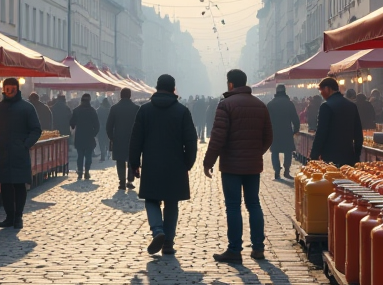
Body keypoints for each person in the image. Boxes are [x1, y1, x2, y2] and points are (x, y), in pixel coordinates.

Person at [203, 69, 273, 264]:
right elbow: (269, 136)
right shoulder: (260, 105)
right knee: (254, 204)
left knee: (233, 207)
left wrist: (208, 161)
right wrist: (256, 152)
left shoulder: (225, 105)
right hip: (252, 166)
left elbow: (218, 137)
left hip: (232, 166)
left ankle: (234, 250)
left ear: (230, 84)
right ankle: (258, 248)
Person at [129, 74, 197, 256]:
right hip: (175, 164)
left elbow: (136, 139)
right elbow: (191, 140)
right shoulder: (182, 111)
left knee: (151, 199)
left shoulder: (144, 110)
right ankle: (168, 243)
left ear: (156, 88)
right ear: (174, 89)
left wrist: (134, 163)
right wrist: (188, 163)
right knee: (171, 203)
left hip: (151, 163)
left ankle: (158, 230)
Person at [0, 78, 42, 230]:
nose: (9, 91)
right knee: (5, 186)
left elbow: (36, 129)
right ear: (3, 89)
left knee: (19, 185)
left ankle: (18, 217)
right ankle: (9, 216)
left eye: (12, 88)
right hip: (3, 152)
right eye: (7, 88)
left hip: (19, 152)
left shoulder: (27, 108)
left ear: (17, 89)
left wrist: (25, 144)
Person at [309, 77, 363, 167]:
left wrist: (314, 156)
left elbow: (321, 133)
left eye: (321, 90)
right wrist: (356, 156)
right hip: (349, 157)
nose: (321, 93)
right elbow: (358, 134)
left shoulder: (326, 106)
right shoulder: (352, 106)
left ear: (327, 89)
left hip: (330, 157)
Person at [106, 88, 140, 189]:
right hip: (133, 139)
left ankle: (122, 182)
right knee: (131, 160)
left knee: (120, 161)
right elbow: (140, 126)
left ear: (120, 95)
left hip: (118, 139)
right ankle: (130, 181)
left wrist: (112, 137)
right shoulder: (136, 108)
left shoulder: (114, 108)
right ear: (130, 96)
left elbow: (109, 126)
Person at [266, 85, 301, 180]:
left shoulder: (270, 104)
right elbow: (295, 119)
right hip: (286, 131)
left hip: (274, 132)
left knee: (275, 151)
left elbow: (265, 120)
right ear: (285, 92)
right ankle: (286, 171)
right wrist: (296, 130)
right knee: (288, 151)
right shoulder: (289, 103)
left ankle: (277, 171)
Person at [69, 93, 100, 180]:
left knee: (80, 155)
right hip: (89, 136)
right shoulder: (92, 111)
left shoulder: (76, 110)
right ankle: (86, 172)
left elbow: (72, 123)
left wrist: (74, 127)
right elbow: (97, 125)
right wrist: (93, 134)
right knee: (88, 155)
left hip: (79, 136)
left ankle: (79, 172)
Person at [97, 97, 112, 162]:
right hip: (108, 129)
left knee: (101, 143)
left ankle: (103, 156)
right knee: (107, 142)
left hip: (100, 129)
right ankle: (109, 153)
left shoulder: (98, 110)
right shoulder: (109, 110)